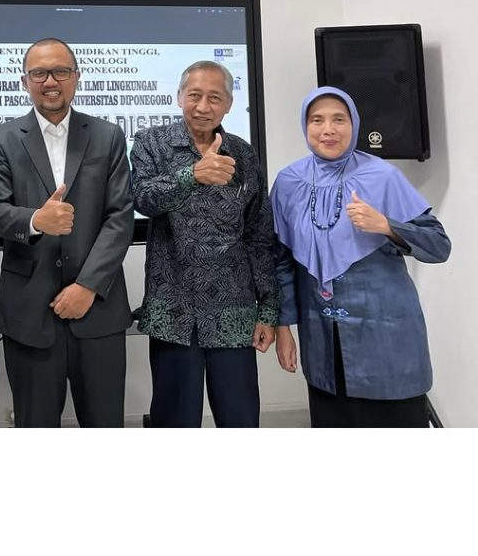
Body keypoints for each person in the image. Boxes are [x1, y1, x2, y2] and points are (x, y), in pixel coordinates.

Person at [271, 86, 450, 428]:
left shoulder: (382, 176)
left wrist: (386, 225)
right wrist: (283, 327)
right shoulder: (288, 182)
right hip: (323, 343)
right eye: (317, 120)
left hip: (387, 338)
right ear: (305, 126)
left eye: (339, 119)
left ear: (353, 124)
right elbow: (281, 261)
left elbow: (438, 245)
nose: (328, 129)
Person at [0, 38, 133, 428]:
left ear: (76, 77)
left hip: (97, 311)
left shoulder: (108, 136)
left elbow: (120, 217)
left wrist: (88, 285)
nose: (50, 81)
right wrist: (36, 220)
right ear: (25, 81)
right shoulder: (1, 139)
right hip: (30, 315)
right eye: (39, 73)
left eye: (61, 71)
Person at [130, 60, 277, 428]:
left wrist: (268, 310)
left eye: (214, 97)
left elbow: (259, 236)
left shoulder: (243, 154)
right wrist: (191, 175)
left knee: (240, 420)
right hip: (173, 311)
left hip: (233, 311)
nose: (202, 106)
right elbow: (142, 199)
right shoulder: (151, 143)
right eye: (194, 95)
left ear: (228, 104)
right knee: (175, 422)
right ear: (179, 96)